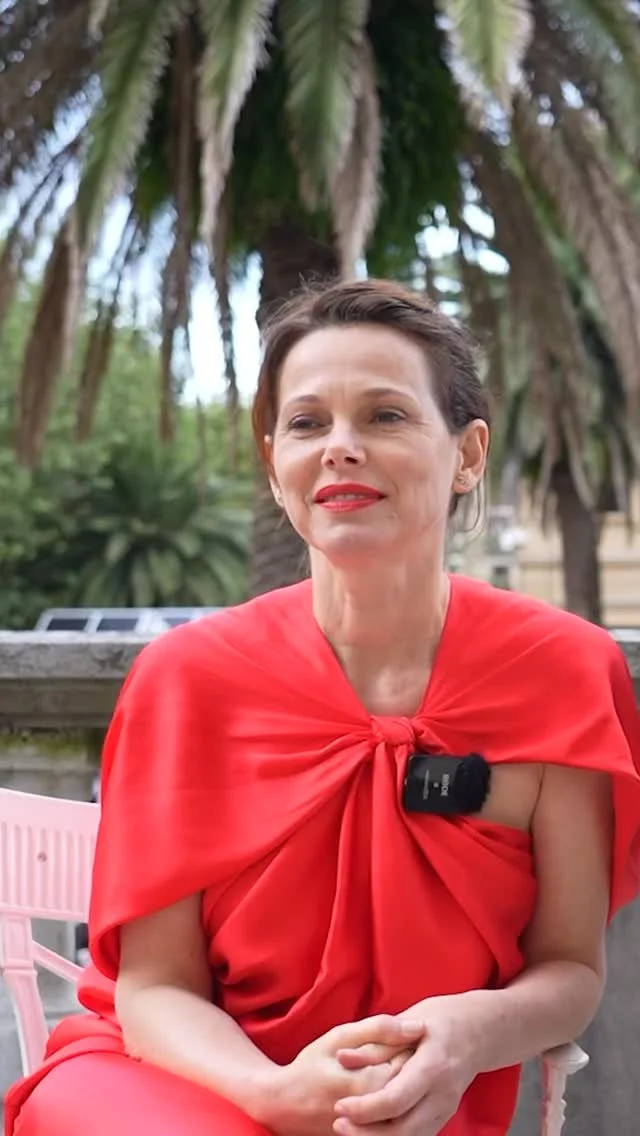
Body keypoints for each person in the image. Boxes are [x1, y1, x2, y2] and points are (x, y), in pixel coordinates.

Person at [5, 278, 640, 1136]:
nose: (341, 448)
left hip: (405, 1102)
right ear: (275, 467)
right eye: (307, 423)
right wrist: (272, 1094)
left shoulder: (564, 673)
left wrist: (466, 1033)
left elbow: (569, 968)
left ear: (468, 453)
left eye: (385, 415)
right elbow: (152, 990)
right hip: (180, 1080)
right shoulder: (185, 679)